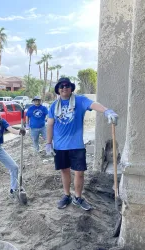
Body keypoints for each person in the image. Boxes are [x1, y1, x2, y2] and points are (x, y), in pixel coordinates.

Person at [46, 77, 118, 211]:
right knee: (64, 171)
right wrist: (49, 143)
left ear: (71, 88)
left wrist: (107, 111)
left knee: (79, 173)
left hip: (76, 145)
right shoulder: (53, 106)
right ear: (58, 90)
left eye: (67, 85)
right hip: (60, 146)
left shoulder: (79, 100)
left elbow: (93, 104)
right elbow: (50, 125)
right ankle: (66, 195)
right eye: (61, 86)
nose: (64, 88)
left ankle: (78, 198)